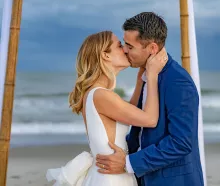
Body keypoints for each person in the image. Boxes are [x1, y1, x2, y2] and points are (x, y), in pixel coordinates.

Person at [46, 30, 167, 186]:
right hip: (111, 178)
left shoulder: (95, 94)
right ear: (105, 55)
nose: (124, 49)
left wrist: (139, 81)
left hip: (107, 174)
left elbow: (128, 112)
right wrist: (152, 75)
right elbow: (150, 120)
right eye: (119, 46)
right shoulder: (101, 95)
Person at [96, 12, 204, 186]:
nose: (124, 50)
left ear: (152, 48)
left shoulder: (177, 81)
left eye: (130, 47)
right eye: (124, 44)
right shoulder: (146, 75)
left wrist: (129, 163)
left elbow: (181, 143)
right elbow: (140, 132)